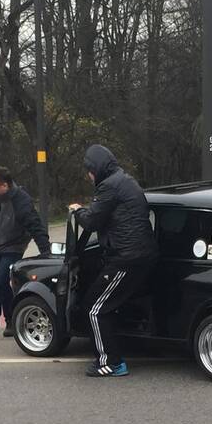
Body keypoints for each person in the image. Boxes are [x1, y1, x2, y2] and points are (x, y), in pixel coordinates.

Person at [68, 145, 158, 377]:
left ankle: (110, 362)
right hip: (143, 255)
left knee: (93, 308)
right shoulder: (126, 180)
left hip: (126, 258)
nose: (89, 176)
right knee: (111, 303)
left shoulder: (108, 186)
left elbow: (92, 222)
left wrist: (77, 211)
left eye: (90, 171)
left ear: (96, 168)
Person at [0, 166, 51, 336]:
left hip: (13, 246)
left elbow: (36, 227)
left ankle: (12, 320)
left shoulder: (21, 201)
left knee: (0, 282)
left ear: (4, 186)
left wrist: (46, 252)